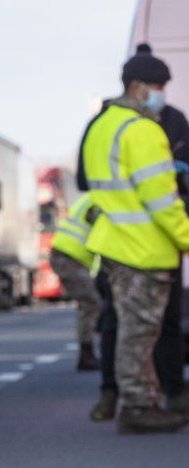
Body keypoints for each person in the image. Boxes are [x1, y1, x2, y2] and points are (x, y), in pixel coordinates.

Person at [81, 43, 189, 433]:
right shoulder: (143, 130)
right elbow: (163, 198)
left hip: (116, 244)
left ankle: (132, 400)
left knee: (127, 329)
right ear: (139, 87)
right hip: (145, 249)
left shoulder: (101, 126)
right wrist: (186, 237)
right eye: (158, 85)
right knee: (142, 334)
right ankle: (140, 406)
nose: (161, 94)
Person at [48, 193, 101, 371]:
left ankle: (88, 352)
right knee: (91, 303)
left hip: (69, 255)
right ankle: (86, 354)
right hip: (69, 257)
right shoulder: (101, 200)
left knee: (89, 303)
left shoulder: (93, 196)